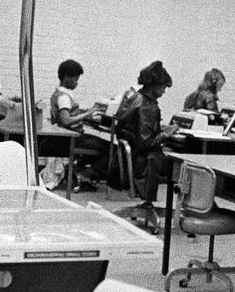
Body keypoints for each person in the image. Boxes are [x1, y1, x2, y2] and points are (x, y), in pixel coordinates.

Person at [118, 60, 177, 229]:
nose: (164, 91)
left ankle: (148, 204)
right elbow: (146, 141)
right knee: (186, 165)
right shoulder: (148, 106)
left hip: (135, 159)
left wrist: (160, 129)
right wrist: (167, 133)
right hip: (145, 164)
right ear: (155, 85)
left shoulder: (133, 98)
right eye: (164, 87)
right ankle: (194, 211)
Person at [50, 59, 110, 190]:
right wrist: (87, 114)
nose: (77, 83)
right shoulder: (64, 97)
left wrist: (85, 113)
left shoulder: (58, 93)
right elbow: (65, 120)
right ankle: (84, 174)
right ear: (67, 77)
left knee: (98, 143)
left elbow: (67, 114)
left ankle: (79, 170)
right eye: (76, 79)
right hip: (72, 139)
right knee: (111, 148)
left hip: (65, 137)